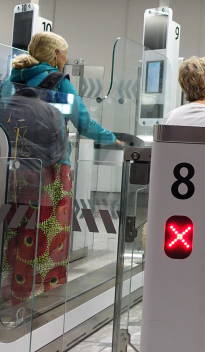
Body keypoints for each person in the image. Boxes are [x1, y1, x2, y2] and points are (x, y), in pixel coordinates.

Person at [2, 32, 118, 304]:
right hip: (50, 167)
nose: (66, 58)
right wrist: (113, 140)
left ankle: (11, 289)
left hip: (11, 166)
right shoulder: (58, 82)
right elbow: (85, 124)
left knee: (14, 225)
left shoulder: (10, 80)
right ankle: (44, 294)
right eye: (65, 53)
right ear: (56, 56)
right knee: (48, 228)